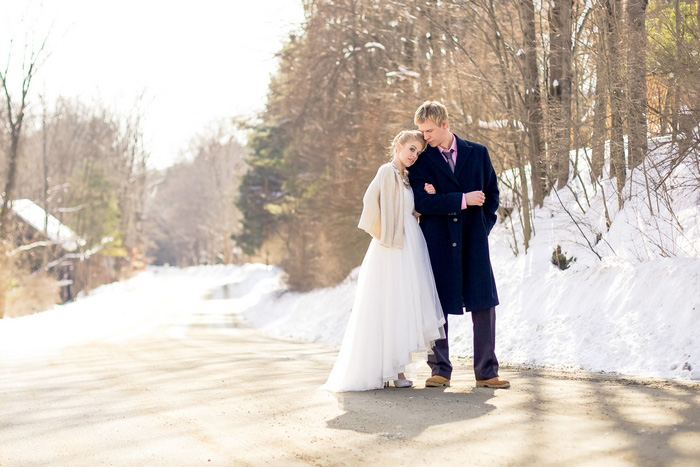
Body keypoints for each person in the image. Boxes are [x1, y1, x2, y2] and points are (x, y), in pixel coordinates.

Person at [321, 130, 446, 392]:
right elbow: (369, 202)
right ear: (398, 146)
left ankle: (398, 367)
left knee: (403, 304)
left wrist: (427, 197)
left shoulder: (407, 179)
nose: (414, 155)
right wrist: (383, 233)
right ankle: (394, 371)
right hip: (392, 246)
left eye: (418, 152)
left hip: (411, 245)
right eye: (411, 149)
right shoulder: (386, 171)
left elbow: (410, 209)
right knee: (391, 303)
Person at [409, 101, 510, 389]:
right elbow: (422, 202)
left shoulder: (477, 153)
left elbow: (491, 194)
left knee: (484, 303)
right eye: (421, 131)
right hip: (438, 240)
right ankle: (440, 369)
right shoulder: (422, 161)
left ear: (444, 124)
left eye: (428, 130)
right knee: (436, 305)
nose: (424, 137)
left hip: (473, 239)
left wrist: (482, 226)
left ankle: (487, 373)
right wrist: (462, 199)